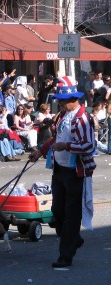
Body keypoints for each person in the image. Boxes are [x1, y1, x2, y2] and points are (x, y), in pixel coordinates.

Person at [29, 76, 96, 269]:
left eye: (61, 99)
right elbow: (56, 138)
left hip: (75, 172)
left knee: (71, 215)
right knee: (57, 211)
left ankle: (65, 256)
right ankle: (73, 239)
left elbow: (88, 145)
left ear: (71, 99)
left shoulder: (83, 118)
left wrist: (65, 145)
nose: (59, 102)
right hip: (59, 170)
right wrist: (40, 151)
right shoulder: (62, 115)